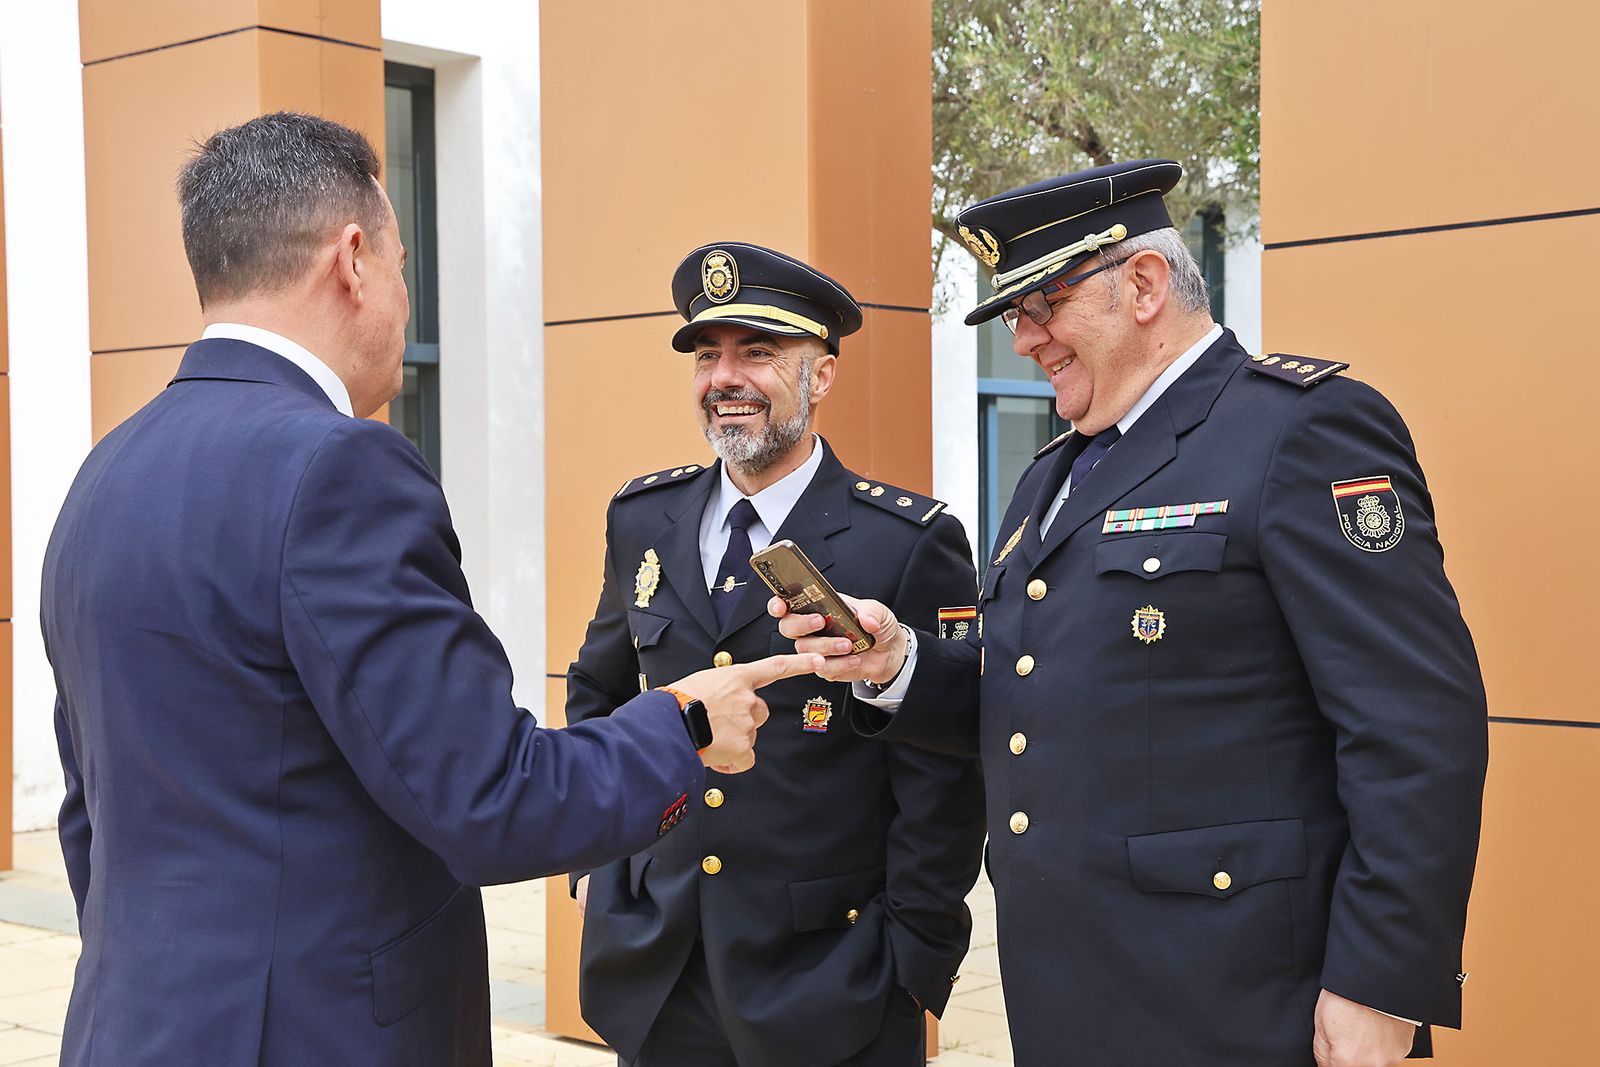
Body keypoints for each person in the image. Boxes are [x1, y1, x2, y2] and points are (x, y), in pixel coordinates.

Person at [42, 113, 816, 1067]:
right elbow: (490, 798)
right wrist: (685, 727)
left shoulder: (104, 474)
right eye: (406, 268)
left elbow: (94, 817)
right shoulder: (340, 469)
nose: (407, 306)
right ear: (354, 260)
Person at [775, 159, 1489, 1067]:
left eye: (1043, 305)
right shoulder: (1051, 476)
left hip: (1243, 1002)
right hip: (1073, 997)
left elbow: (1416, 726)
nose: (1026, 339)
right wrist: (897, 663)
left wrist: (1381, 983)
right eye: (1013, 316)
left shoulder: (1301, 429)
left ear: (1144, 283)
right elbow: (1035, 703)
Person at [567, 241, 986, 1067]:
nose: (726, 378)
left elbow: (945, 768)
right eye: (708, 355)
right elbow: (600, 693)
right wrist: (600, 869)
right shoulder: (642, 517)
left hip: (832, 976)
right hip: (658, 966)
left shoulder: (907, 540)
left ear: (820, 375)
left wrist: (913, 958)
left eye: (758, 353)